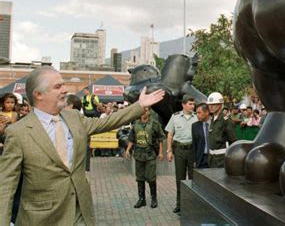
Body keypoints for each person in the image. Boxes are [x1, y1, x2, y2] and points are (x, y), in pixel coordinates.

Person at [0, 66, 165, 226]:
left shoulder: (74, 117)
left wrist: (140, 105)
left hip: (79, 214)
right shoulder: (18, 133)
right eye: (58, 86)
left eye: (64, 84)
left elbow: (108, 122)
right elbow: (6, 187)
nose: (65, 90)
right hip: (42, 218)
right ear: (38, 95)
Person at [125, 107, 165, 209]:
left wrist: (160, 152)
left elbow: (161, 139)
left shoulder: (155, 124)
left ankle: (153, 199)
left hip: (150, 153)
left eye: (146, 110)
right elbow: (131, 139)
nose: (144, 112)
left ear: (149, 112)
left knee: (151, 177)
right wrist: (128, 150)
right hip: (139, 153)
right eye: (142, 110)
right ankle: (141, 199)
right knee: (140, 178)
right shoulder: (135, 124)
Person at [165, 94, 197, 214]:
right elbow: (170, 135)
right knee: (180, 179)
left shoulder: (196, 118)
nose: (192, 106)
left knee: (193, 178)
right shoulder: (175, 117)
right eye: (190, 104)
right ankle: (180, 204)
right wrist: (169, 151)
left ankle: (192, 203)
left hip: (192, 150)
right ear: (183, 105)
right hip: (179, 150)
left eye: (193, 104)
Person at [207, 92, 237, 168]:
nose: (211, 107)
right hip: (212, 159)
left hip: (221, 159)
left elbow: (233, 140)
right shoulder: (212, 119)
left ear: (220, 105)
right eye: (209, 105)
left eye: (213, 104)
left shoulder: (226, 120)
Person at [192, 103, 211, 168]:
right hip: (202, 158)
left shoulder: (215, 123)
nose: (197, 115)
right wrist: (194, 160)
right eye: (196, 113)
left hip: (215, 158)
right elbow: (194, 144)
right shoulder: (195, 126)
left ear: (207, 112)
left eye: (199, 113)